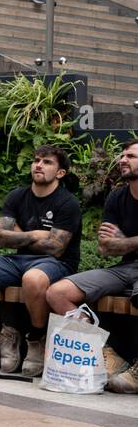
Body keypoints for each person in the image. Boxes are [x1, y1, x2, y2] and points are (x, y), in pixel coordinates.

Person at [0, 146, 81, 375]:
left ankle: (36, 338)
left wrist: (20, 235)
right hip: (17, 259)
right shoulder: (17, 196)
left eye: (47, 162)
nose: (38, 165)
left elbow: (55, 247)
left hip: (57, 263)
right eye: (36, 160)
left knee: (33, 279)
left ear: (60, 173)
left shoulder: (68, 203)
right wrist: (37, 234)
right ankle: (1, 334)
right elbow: (2, 238)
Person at [47, 140, 138, 393]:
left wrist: (125, 241)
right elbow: (105, 248)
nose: (122, 159)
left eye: (130, 155)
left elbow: (116, 243)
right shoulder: (118, 197)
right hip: (125, 268)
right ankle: (105, 355)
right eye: (122, 154)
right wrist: (122, 245)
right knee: (58, 292)